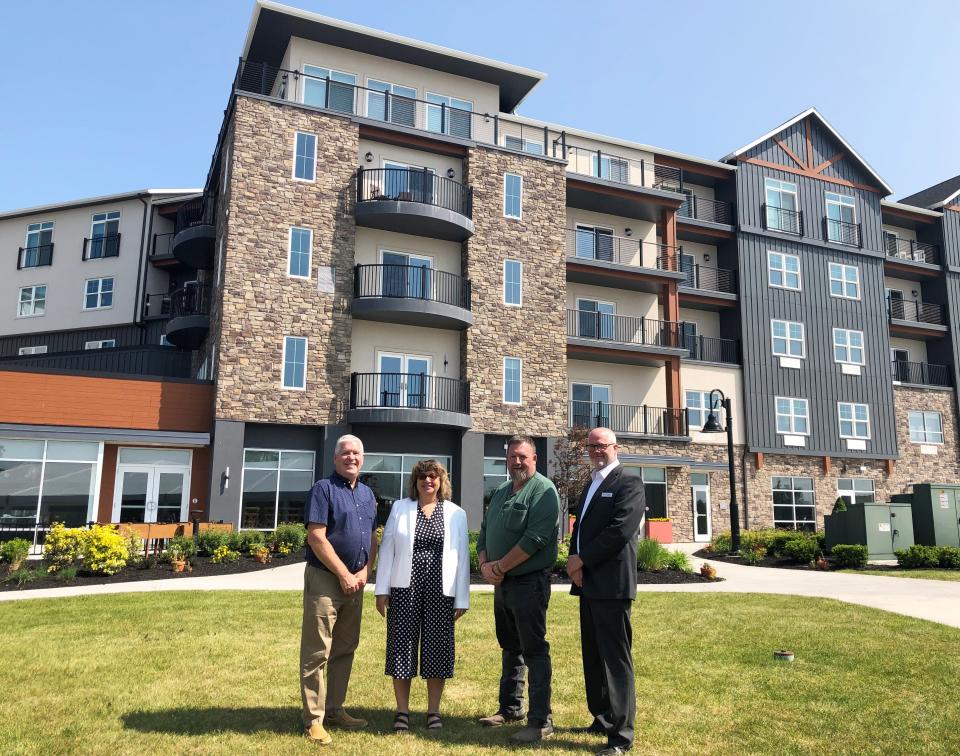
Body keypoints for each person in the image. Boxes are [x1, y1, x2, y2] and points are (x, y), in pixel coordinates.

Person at [375, 459, 470, 733]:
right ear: (415, 483)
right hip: (405, 588)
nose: (428, 481)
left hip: (441, 591)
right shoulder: (400, 508)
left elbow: (462, 557)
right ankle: (402, 712)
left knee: (437, 649)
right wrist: (382, 590)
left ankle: (433, 712)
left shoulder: (456, 513)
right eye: (422, 477)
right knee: (401, 647)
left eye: (433, 477)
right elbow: (388, 550)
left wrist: (462, 598)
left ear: (441, 482)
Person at [566, 427, 645, 756]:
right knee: (593, 656)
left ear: (616, 447)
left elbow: (619, 531)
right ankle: (602, 717)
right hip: (588, 583)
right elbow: (581, 527)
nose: (596, 451)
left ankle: (621, 735)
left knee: (615, 659)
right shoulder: (591, 483)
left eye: (602, 446)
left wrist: (583, 558)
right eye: (592, 446)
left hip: (612, 585)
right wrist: (574, 561)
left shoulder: (630, 483)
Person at [477, 435, 560, 744]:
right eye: (512, 456)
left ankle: (541, 721)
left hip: (529, 583)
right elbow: (485, 531)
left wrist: (500, 567)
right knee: (510, 647)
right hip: (503, 584)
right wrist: (485, 563)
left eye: (523, 456)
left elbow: (535, 539)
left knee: (534, 649)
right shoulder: (500, 491)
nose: (517, 461)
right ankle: (511, 709)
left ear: (534, 459)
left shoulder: (544, 490)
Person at [300, 434, 378, 744]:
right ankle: (313, 720)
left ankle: (335, 709)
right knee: (317, 651)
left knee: (345, 648)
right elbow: (316, 537)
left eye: (356, 453)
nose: (351, 458)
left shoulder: (368, 494)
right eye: (345, 453)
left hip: (355, 582)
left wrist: (364, 571)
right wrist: (344, 573)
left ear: (363, 458)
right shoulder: (323, 489)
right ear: (335, 458)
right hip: (325, 580)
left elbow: (372, 537)